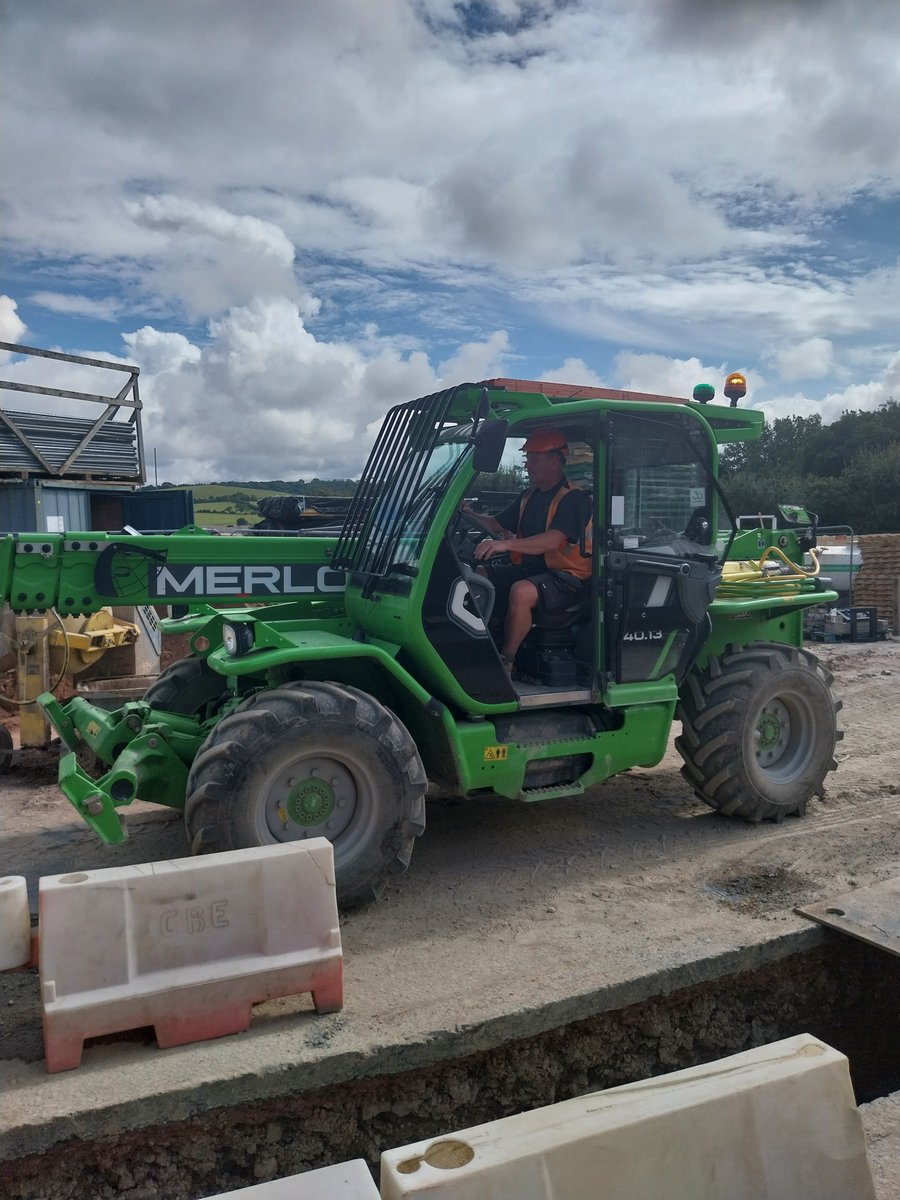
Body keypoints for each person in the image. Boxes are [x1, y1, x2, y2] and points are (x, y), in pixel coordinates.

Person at [463, 428, 591, 673]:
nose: (527, 465)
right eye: (527, 458)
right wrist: (467, 514)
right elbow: (495, 524)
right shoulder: (529, 496)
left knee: (521, 592)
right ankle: (481, 641)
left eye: (534, 458)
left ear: (555, 460)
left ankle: (506, 661)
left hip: (568, 579)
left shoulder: (574, 498)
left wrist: (506, 544)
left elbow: (554, 540)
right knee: (479, 573)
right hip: (532, 570)